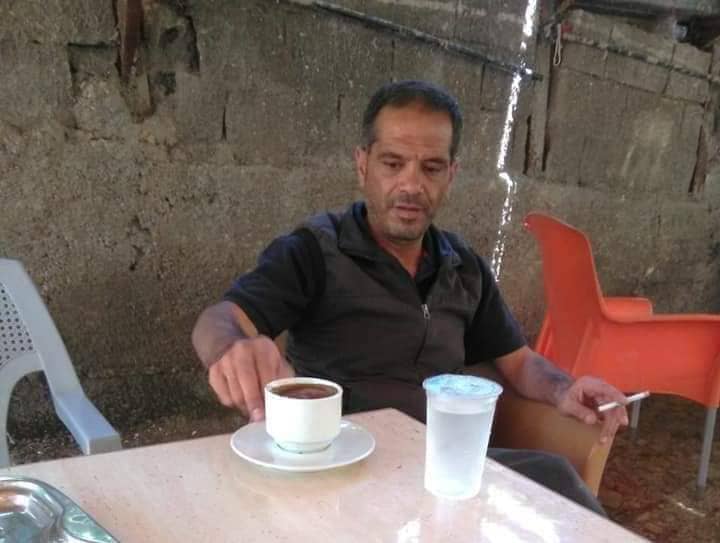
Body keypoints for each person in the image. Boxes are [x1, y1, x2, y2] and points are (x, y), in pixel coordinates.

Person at [192, 80, 628, 514]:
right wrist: (230, 348)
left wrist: (564, 389)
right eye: (393, 163)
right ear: (363, 164)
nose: (411, 184)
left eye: (431, 168)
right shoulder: (314, 252)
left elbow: (519, 362)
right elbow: (221, 319)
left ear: (451, 175)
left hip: (445, 469)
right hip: (343, 474)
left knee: (555, 481)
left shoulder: (464, 268)